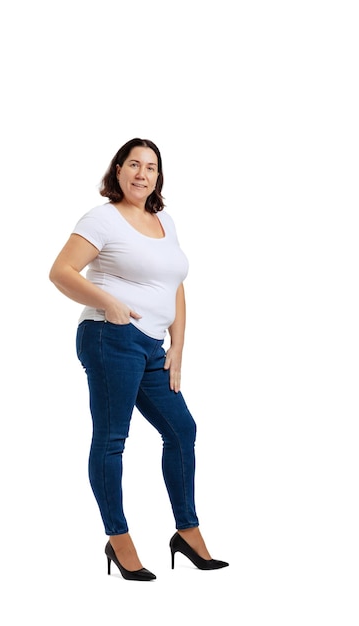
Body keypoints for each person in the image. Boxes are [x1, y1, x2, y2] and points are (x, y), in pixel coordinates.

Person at [49, 137, 228, 581]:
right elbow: (61, 272)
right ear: (118, 170)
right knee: (113, 439)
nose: (141, 173)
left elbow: (175, 285)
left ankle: (187, 532)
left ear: (157, 177)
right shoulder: (101, 219)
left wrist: (178, 348)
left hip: (152, 346)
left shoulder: (163, 220)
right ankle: (119, 539)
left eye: (150, 167)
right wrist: (108, 304)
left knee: (182, 430)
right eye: (133, 164)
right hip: (110, 338)